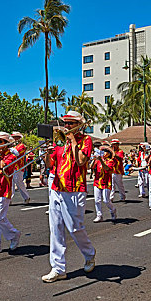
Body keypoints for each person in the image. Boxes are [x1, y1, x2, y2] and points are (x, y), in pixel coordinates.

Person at [43, 111, 96, 283]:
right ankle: (58, 268)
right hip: (57, 187)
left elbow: (81, 161)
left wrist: (73, 141)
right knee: (55, 228)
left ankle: (89, 254)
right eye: (65, 123)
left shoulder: (86, 140)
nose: (67, 127)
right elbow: (51, 164)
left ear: (78, 125)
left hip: (75, 189)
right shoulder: (59, 141)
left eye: (71, 123)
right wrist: (47, 153)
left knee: (74, 227)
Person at [91, 145, 117, 223]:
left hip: (106, 182)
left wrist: (101, 161)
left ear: (109, 153)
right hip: (97, 182)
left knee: (106, 200)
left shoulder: (110, 161)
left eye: (105, 151)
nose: (104, 153)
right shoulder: (98, 160)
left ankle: (113, 210)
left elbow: (106, 168)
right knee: (97, 200)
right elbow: (90, 167)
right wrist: (94, 160)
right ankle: (99, 215)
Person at [10, 131, 31, 204]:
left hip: (18, 167)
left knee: (19, 182)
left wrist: (8, 148)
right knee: (11, 183)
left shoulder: (22, 146)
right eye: (13, 137)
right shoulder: (13, 146)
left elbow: (16, 153)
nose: (14, 139)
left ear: (19, 138)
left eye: (15, 137)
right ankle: (9, 199)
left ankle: (26, 197)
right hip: (11, 167)